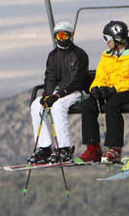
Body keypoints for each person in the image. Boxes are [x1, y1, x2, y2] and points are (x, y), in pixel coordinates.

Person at [78, 20, 129, 164]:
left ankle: (114, 148)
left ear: (117, 38)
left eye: (108, 39)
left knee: (112, 105)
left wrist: (114, 89)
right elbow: (100, 77)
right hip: (109, 90)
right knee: (88, 105)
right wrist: (95, 88)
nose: (106, 43)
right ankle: (93, 148)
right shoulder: (107, 55)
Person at [28, 21, 89, 164]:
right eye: (59, 35)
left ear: (71, 36)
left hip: (74, 91)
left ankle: (64, 148)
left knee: (57, 107)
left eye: (65, 35)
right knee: (36, 106)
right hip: (57, 93)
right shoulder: (53, 55)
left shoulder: (79, 54)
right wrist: (47, 95)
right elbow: (50, 76)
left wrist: (57, 95)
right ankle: (44, 148)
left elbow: (77, 80)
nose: (61, 39)